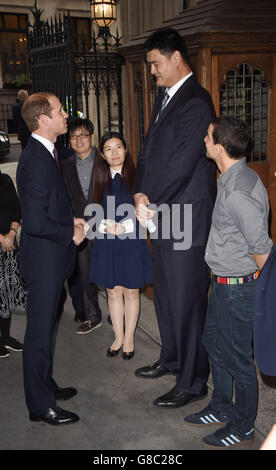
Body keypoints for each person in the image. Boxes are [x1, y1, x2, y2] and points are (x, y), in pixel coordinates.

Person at [133, 28, 217, 407]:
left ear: (177, 58)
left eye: (155, 63)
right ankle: (171, 359)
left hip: (186, 216)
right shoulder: (165, 96)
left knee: (187, 301)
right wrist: (138, 191)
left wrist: (149, 198)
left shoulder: (196, 102)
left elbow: (181, 165)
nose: (152, 71)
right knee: (165, 295)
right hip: (162, 215)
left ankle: (193, 381)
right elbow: (150, 152)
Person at [184, 116, 272, 449]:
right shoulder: (230, 177)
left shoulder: (239, 191)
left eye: (208, 138)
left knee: (237, 360)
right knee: (214, 346)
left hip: (239, 290)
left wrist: (265, 301)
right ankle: (221, 405)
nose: (204, 141)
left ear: (219, 148)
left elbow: (263, 251)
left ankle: (243, 425)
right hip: (222, 284)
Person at [16, 92, 86, 426]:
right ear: (43, 119)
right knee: (39, 333)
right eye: (60, 112)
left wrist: (70, 220)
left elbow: (51, 206)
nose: (66, 116)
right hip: (44, 261)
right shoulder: (35, 159)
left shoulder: (48, 152)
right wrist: (68, 233)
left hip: (51, 258)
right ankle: (40, 405)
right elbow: (35, 220)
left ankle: (44, 383)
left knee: (47, 328)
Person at [88, 132, 152, 359]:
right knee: (113, 292)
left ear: (126, 150)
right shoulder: (98, 179)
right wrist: (105, 226)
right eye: (108, 149)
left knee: (131, 291)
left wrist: (124, 228)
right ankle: (117, 336)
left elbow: (147, 216)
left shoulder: (139, 178)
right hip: (107, 243)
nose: (114, 153)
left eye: (118, 147)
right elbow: (92, 213)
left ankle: (129, 338)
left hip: (132, 242)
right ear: (103, 155)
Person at [61, 117, 102, 334]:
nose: (78, 140)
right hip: (81, 229)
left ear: (91, 137)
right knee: (85, 275)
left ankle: (118, 314)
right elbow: (65, 198)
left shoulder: (104, 160)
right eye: (74, 136)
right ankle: (93, 316)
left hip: (106, 226)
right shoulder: (65, 166)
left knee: (113, 273)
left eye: (83, 135)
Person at [0, 171, 25, 358]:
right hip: (3, 242)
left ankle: (6, 337)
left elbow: (17, 210)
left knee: (7, 293)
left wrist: (10, 233)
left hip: (9, 246)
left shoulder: (5, 180)